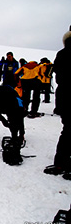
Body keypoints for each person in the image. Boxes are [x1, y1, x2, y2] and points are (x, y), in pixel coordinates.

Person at [44, 29, 71, 179]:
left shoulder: (62, 54)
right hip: (66, 97)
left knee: (67, 132)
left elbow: (57, 77)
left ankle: (61, 163)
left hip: (66, 99)